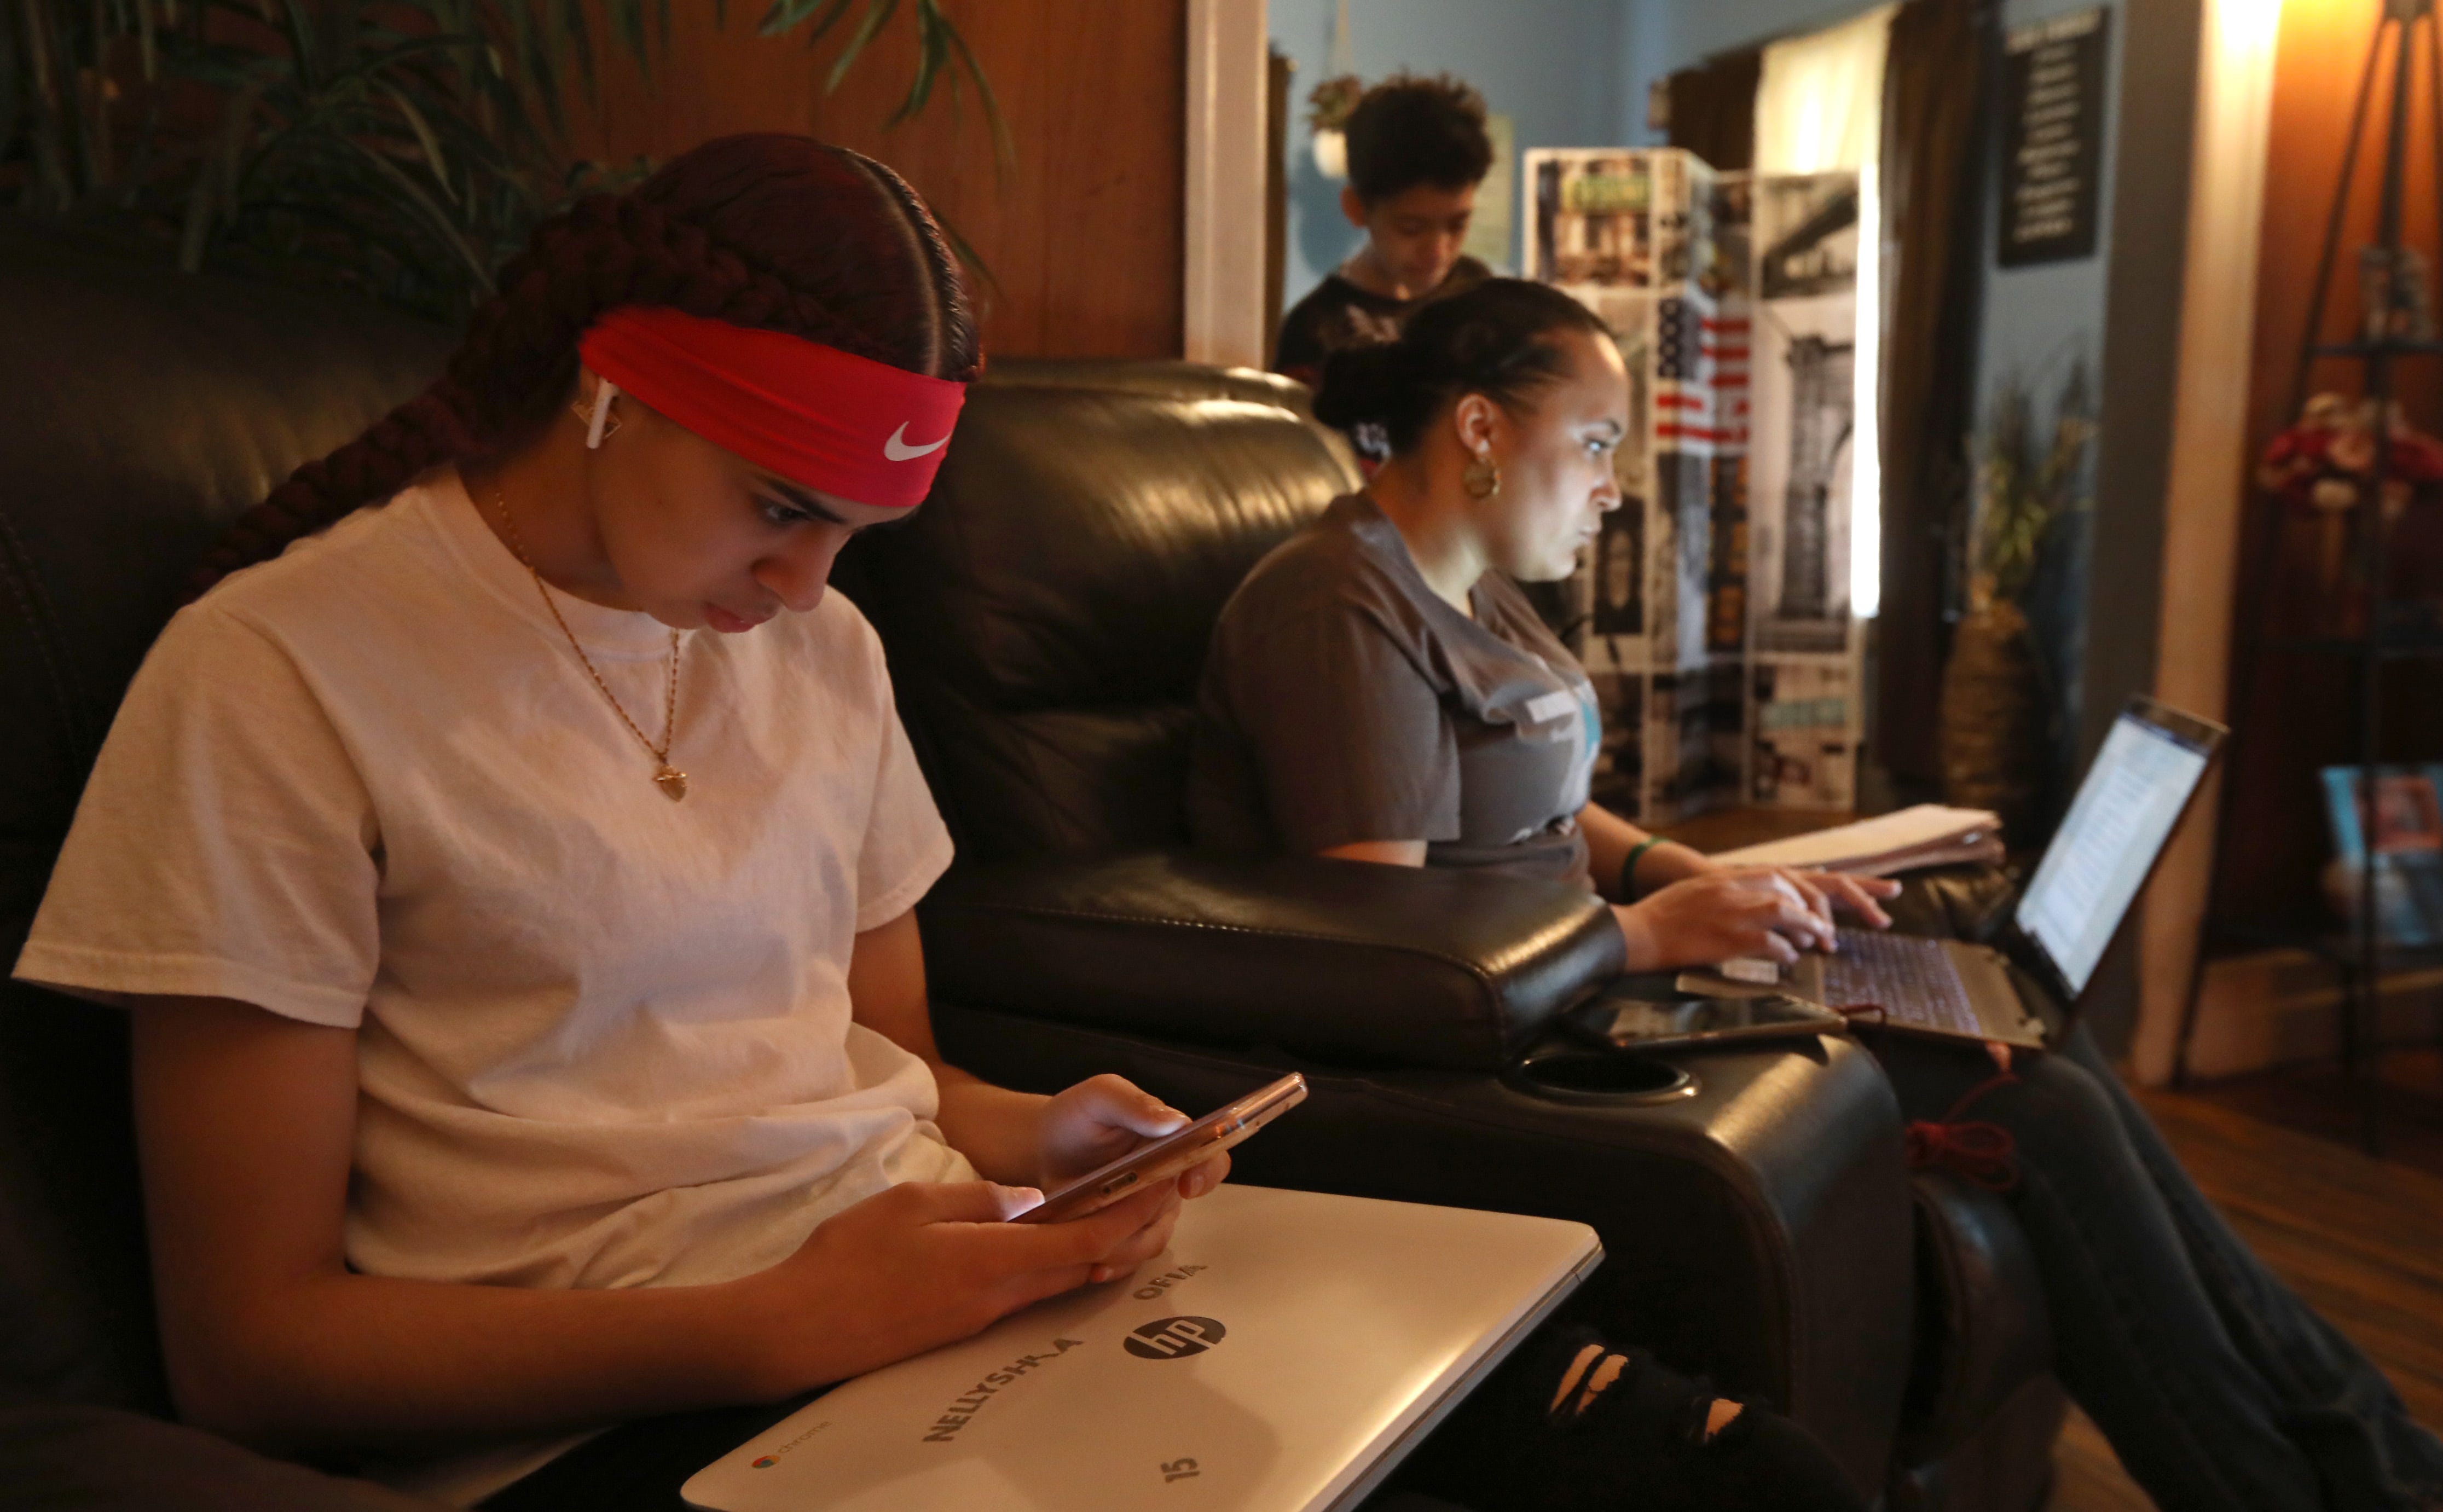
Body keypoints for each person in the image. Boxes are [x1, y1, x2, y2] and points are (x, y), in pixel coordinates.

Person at [11, 137, 1864, 1511]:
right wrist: (772, 1325)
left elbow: (884, 1073)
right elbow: (252, 1347)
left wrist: (1040, 1132)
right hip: (630, 1398)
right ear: (608, 389)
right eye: (772, 506)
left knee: (1707, 1465)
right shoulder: (279, 673)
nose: (807, 584)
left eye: (851, 536)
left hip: (938, 1291)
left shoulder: (816, 647)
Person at [1190, 275, 2443, 1512]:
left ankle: (2373, 1457)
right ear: (1478, 427)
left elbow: (1544, 806)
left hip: (1595, 972)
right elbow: (1380, 950)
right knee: (2036, 1106)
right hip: (1520, 1048)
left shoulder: (1468, 581)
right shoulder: (1335, 600)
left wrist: (1675, 871)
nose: (1612, 484)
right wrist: (1638, 934)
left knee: (2022, 1026)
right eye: (1593, 442)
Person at [1275, 73, 1495, 443]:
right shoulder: (1315, 328)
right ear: (1357, 208)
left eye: (1457, 225)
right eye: (1411, 228)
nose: (1438, 251)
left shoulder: (1480, 296)